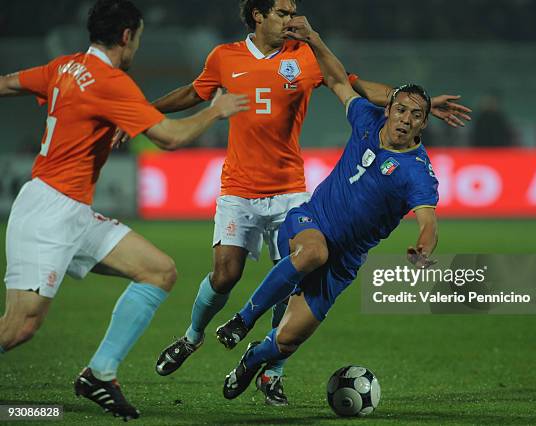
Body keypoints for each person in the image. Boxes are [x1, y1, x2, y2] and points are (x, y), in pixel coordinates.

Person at [144, 0, 465, 406]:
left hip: (290, 190)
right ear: (258, 15)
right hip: (243, 189)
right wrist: (143, 112)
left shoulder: (305, 59)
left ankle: (267, 369)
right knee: (230, 274)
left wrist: (425, 104)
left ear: (420, 122)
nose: (291, 18)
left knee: (292, 305)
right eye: (282, 11)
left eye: (412, 115)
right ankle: (196, 336)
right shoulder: (225, 57)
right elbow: (195, 91)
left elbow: (352, 84)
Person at [0, 0, 248, 420]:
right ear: (127, 36)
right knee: (20, 326)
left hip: (72, 210)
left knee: (159, 270)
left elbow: (6, 83)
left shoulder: (65, 67)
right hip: (47, 214)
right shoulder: (109, 81)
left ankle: (100, 374)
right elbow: (168, 138)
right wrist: (214, 112)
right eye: (139, 39)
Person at [216, 15, 439, 401]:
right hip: (309, 221)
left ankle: (254, 359)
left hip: (344, 262)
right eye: (400, 109)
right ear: (388, 108)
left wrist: (423, 248)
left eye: (415, 115)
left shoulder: (418, 173)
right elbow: (337, 80)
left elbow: (428, 219)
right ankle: (242, 320)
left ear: (422, 125)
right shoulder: (367, 119)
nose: (405, 119)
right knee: (313, 252)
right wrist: (314, 38)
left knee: (285, 342)